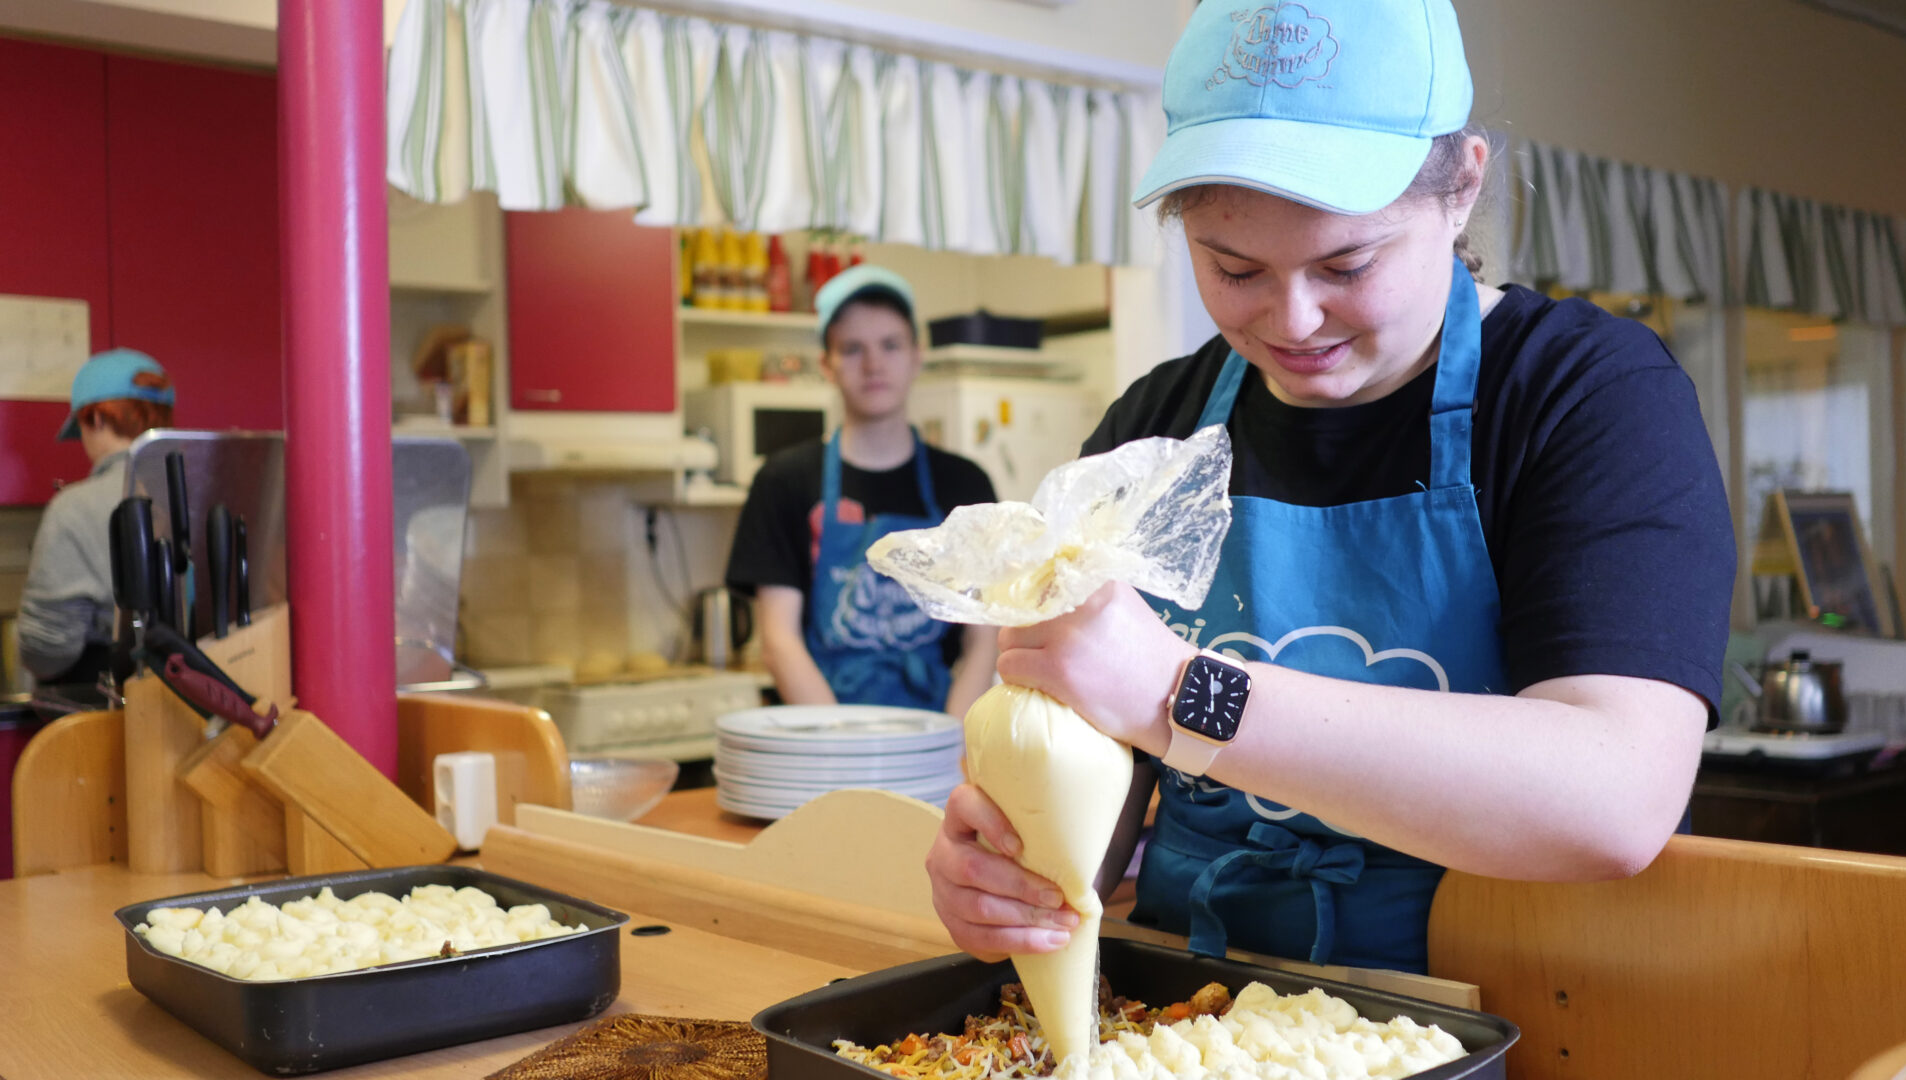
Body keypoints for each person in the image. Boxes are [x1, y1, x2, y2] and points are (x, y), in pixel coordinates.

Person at [926, 0, 1735, 974]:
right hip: (1190, 1013)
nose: (1294, 320)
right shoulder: (1157, 429)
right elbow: (1085, 791)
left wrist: (1184, 693)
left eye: (1347, 264)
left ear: (1461, 188)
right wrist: (1012, 874)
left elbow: (1617, 794)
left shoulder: (1585, 395)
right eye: (1234, 269)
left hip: (1517, 1017)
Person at [726, 265, 999, 716]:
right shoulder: (783, 482)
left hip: (938, 726)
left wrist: (952, 741)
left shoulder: (965, 483)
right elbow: (778, 641)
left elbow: (982, 638)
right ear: (826, 365)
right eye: (852, 349)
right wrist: (844, 742)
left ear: (917, 356)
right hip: (824, 729)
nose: (873, 365)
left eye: (890, 345)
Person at [18, 349, 176, 690]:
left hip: (111, 706)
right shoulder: (206, 487)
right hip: (204, 697)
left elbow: (47, 652)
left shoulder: (73, 508)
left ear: (98, 419)